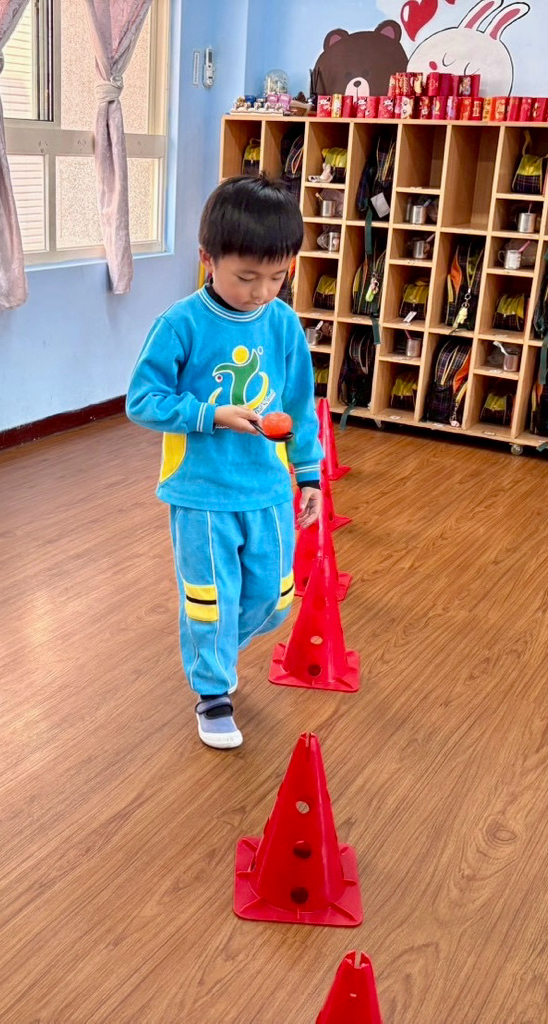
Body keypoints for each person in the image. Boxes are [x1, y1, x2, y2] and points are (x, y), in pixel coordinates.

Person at [126, 175, 323, 750]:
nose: (262, 291)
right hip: (202, 493)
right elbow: (143, 401)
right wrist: (211, 415)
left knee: (274, 599)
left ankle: (212, 648)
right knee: (210, 602)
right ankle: (212, 691)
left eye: (277, 276)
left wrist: (308, 473)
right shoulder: (180, 324)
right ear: (207, 259)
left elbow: (298, 407)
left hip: (267, 489)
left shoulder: (283, 324)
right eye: (246, 276)